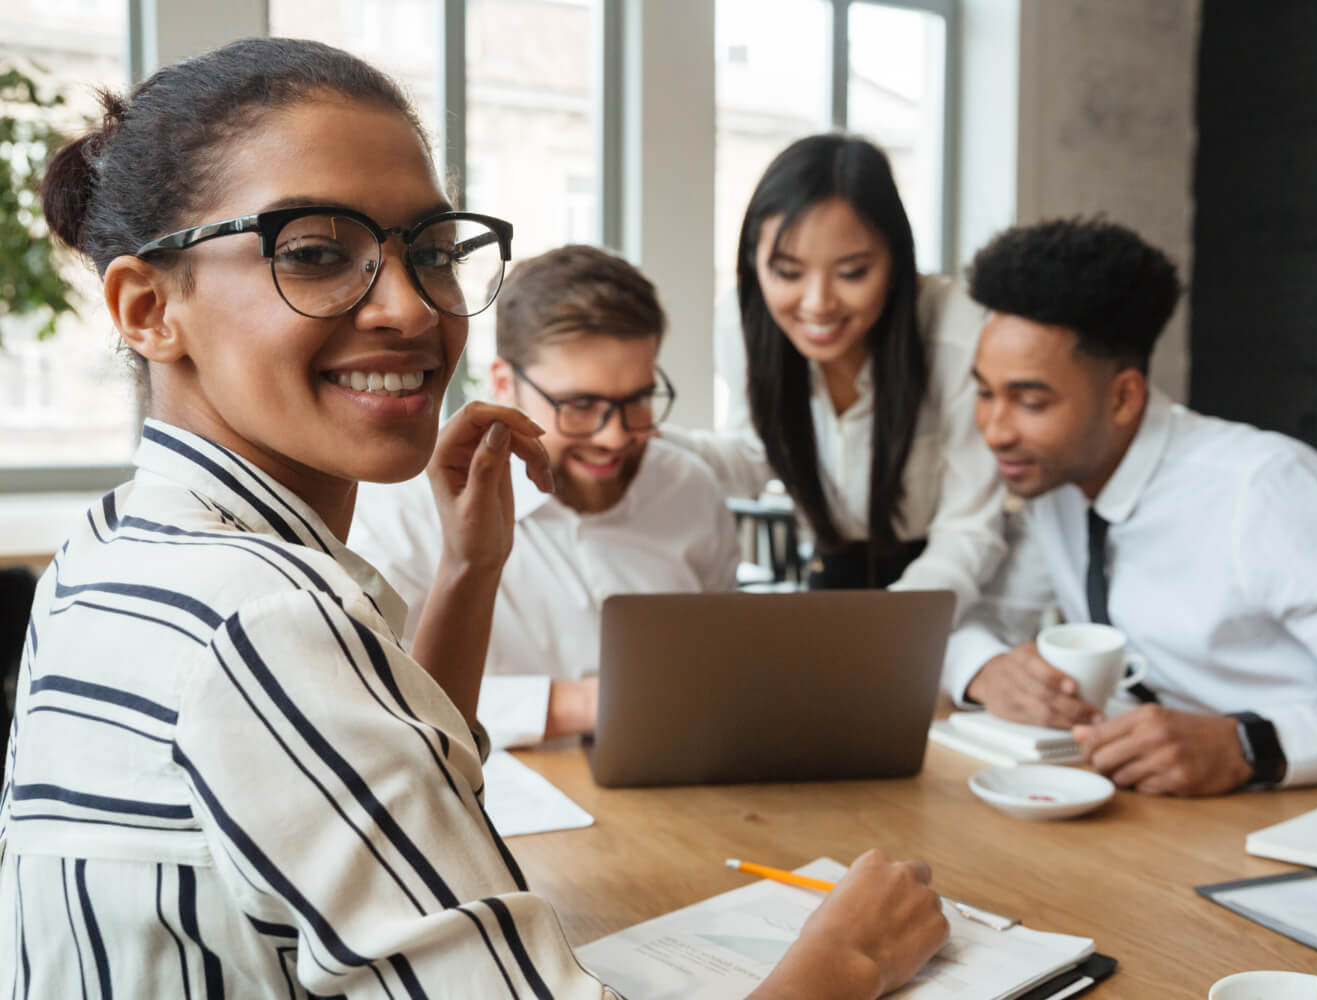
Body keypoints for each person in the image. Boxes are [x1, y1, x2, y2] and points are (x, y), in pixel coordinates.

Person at [0, 37, 948, 997]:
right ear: (147, 307)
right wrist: (850, 958)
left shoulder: (110, 546)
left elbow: (407, 799)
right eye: (318, 253)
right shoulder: (263, 620)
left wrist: (469, 565)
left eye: (434, 251)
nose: (413, 309)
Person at [951, 217, 1317, 796]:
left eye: (1030, 401)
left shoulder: (1266, 491)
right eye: (984, 393)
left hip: (1309, 821)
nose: (994, 429)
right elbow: (984, 618)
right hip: (1163, 821)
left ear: (1123, 397)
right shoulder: (1055, 481)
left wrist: (1250, 745)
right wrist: (984, 670)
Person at [350, 245, 739, 748]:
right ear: (504, 383)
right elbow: (378, 705)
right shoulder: (401, 509)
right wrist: (583, 703)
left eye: (637, 401)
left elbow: (725, 668)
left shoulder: (689, 490)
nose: (615, 437)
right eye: (580, 405)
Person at [666, 134, 1004, 613]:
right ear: (753, 261)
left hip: (952, 581)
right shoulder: (741, 324)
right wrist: (639, 431)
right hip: (831, 570)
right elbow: (753, 455)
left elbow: (971, 526)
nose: (818, 304)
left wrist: (893, 627)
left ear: (895, 262)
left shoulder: (956, 332)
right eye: (787, 273)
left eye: (852, 273)